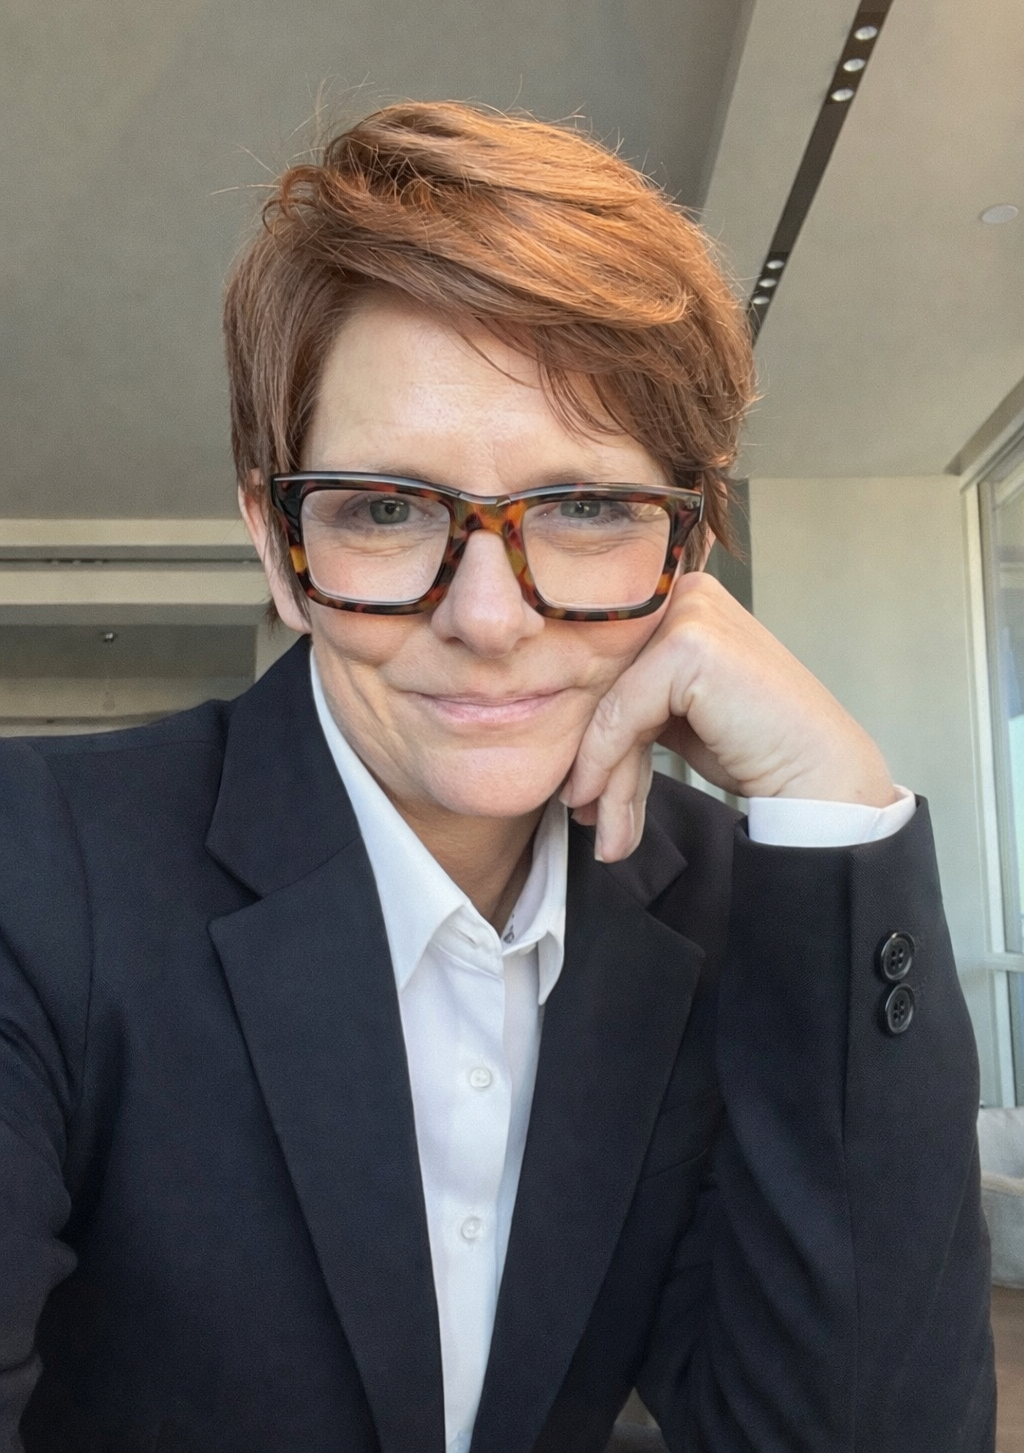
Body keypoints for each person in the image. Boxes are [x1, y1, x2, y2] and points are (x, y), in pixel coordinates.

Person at [0, 102, 994, 1453]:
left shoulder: (716, 911)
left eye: (584, 507)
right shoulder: (39, 869)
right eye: (387, 509)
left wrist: (835, 805)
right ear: (277, 544)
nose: (486, 617)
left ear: (687, 547)